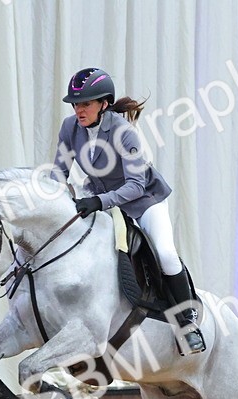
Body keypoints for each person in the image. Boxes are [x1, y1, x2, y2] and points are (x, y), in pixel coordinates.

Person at [51, 67, 205, 355]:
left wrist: (98, 202)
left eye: (85, 103)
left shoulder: (124, 133)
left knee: (166, 254)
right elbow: (59, 172)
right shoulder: (69, 129)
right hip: (101, 197)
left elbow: (135, 185)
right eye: (75, 104)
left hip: (143, 201)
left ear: (104, 104)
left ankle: (187, 323)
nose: (78, 110)